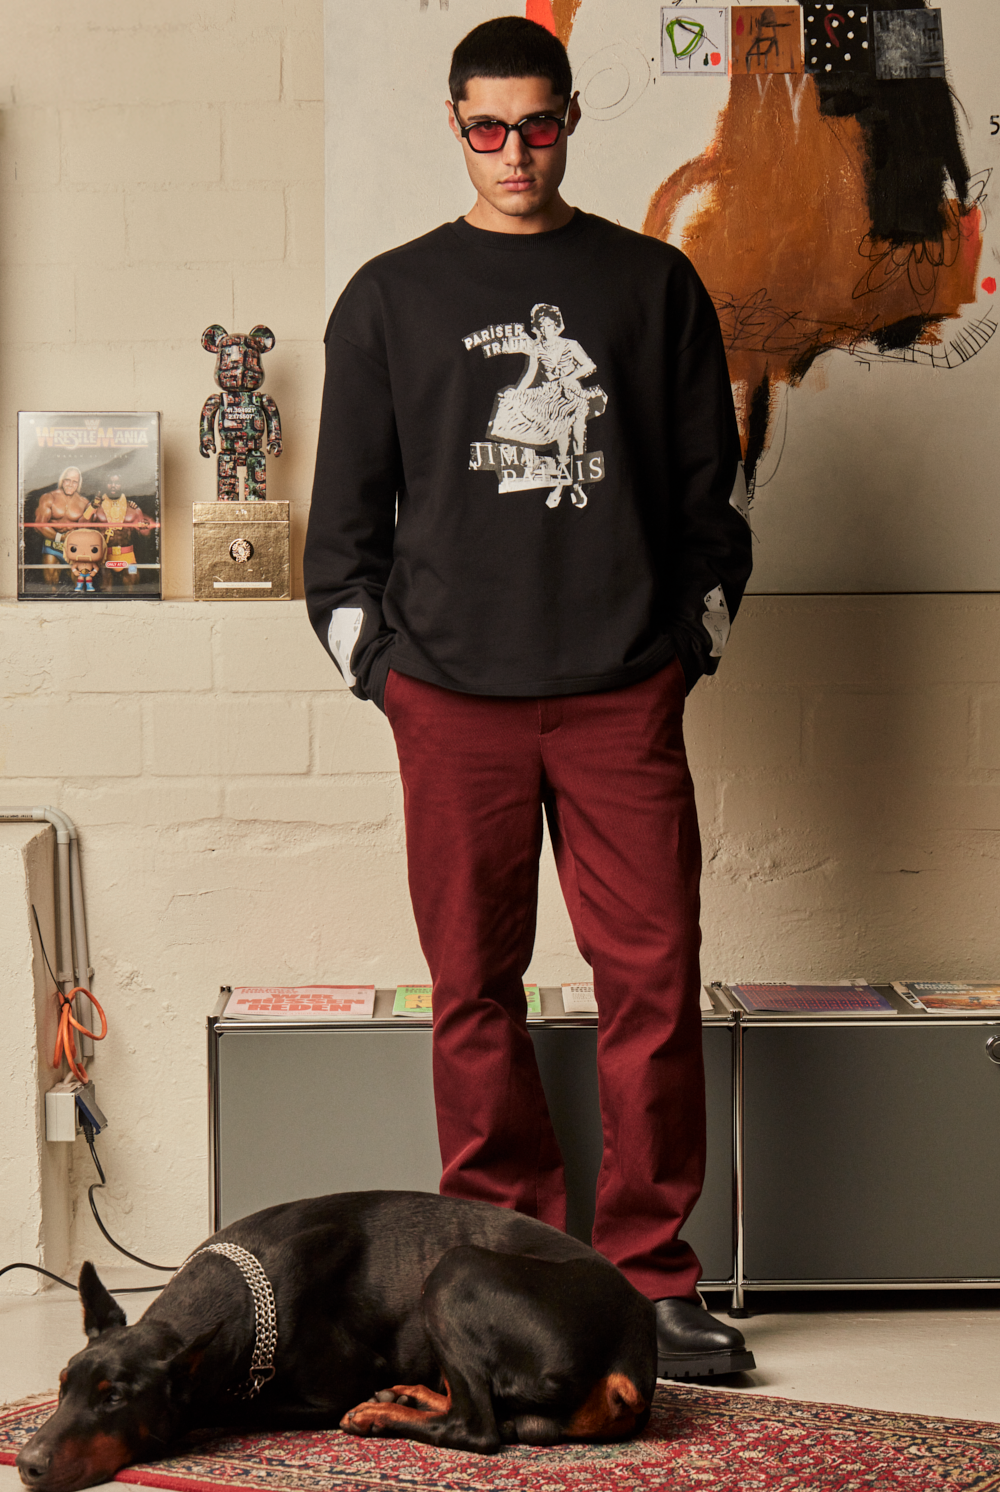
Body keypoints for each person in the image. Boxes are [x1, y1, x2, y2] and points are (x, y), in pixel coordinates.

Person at [305, 16, 754, 1379]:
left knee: (654, 985)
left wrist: (685, 647)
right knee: (472, 993)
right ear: (457, 127)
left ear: (569, 121)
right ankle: (511, 1276)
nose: (515, 152)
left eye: (538, 125)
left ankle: (653, 1279)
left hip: (622, 695)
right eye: (489, 129)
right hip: (452, 701)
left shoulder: (651, 283)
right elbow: (342, 533)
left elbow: (710, 500)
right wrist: (385, 675)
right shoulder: (388, 298)